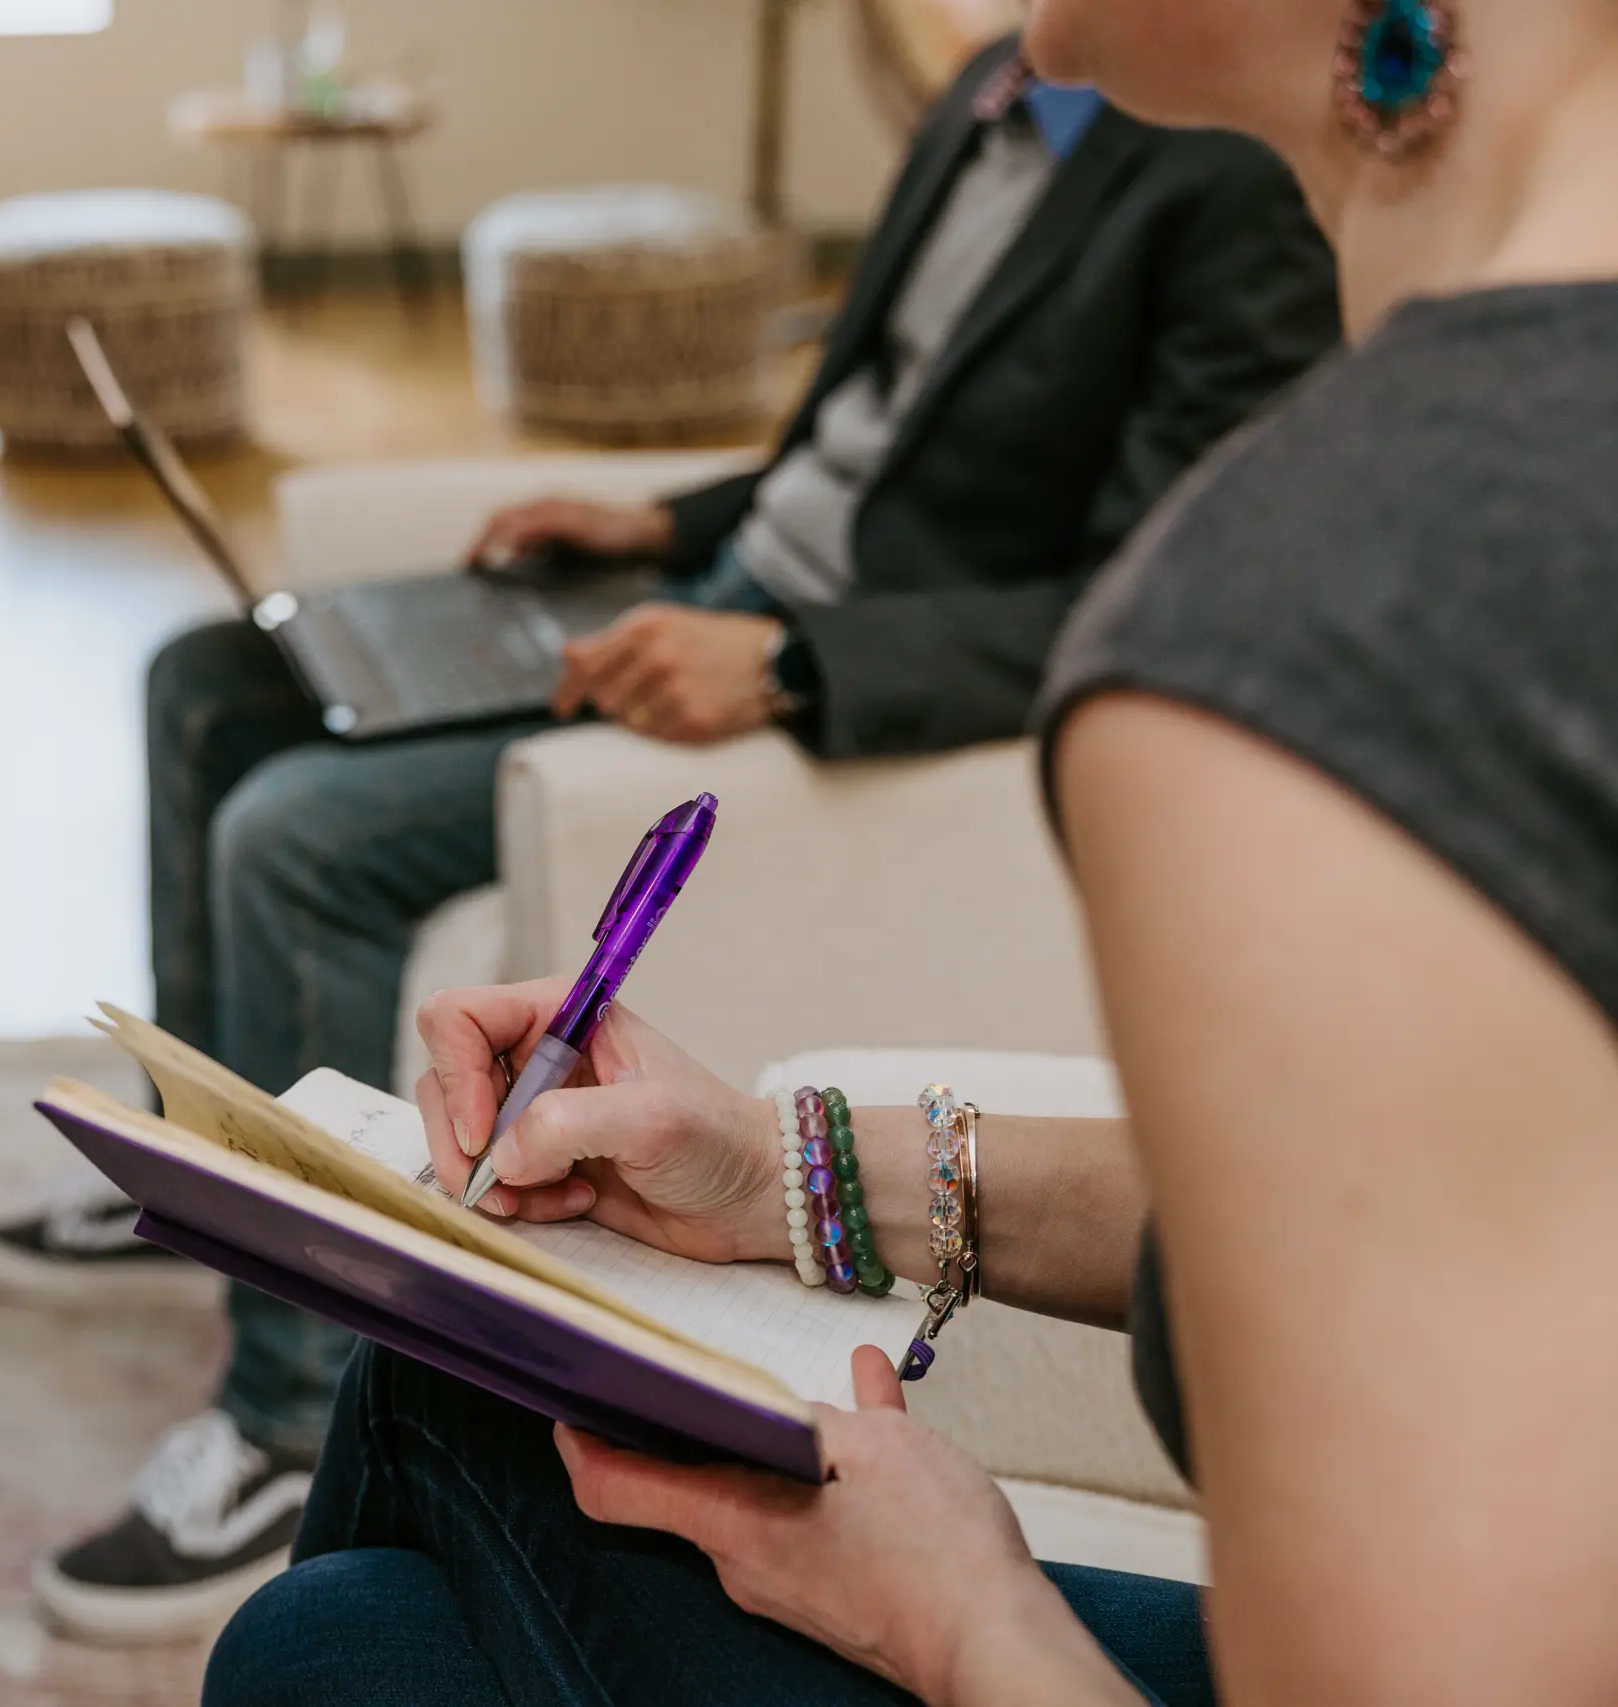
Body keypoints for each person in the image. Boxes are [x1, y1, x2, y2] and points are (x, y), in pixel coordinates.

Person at [202, 0, 1618, 1698]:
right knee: (347, 1631)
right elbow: (1454, 1205)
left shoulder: (1313, 625)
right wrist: (783, 1170)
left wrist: (958, 1613)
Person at [0, 33, 1342, 1644]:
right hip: (727, 588)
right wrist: (664, 525)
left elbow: (1148, 585)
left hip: (816, 676)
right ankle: (212, 1137)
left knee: (298, 831)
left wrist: (786, 660)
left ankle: (289, 1414)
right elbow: (857, 441)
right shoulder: (1003, 83)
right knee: (208, 680)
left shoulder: (1230, 179)